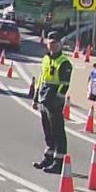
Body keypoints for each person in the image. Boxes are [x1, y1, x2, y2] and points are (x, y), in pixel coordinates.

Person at [31, 31, 72, 174]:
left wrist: (58, 100)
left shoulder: (64, 62)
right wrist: (36, 98)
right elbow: (41, 79)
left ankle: (59, 162)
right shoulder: (46, 59)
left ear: (60, 45)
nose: (52, 46)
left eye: (55, 44)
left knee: (57, 132)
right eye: (50, 43)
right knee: (47, 131)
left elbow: (65, 84)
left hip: (54, 101)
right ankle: (48, 157)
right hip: (44, 98)